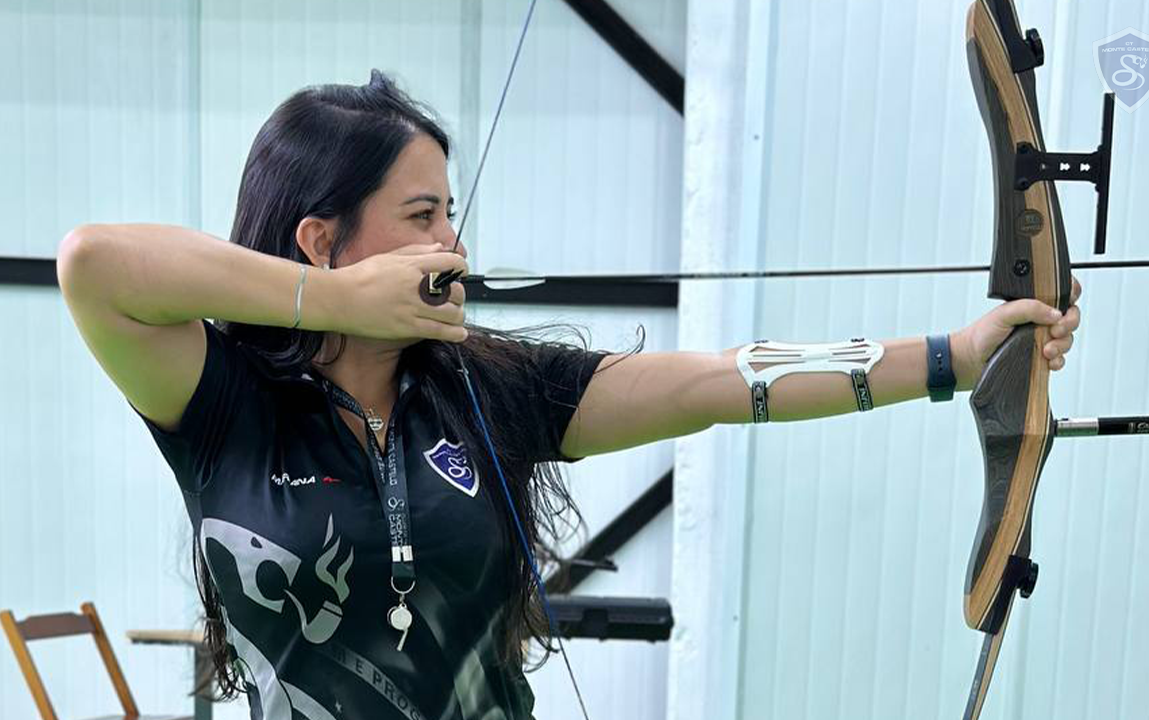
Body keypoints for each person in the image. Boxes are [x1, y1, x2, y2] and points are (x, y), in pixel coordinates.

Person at [56, 71, 1081, 720]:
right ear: (322, 236)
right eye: (420, 216)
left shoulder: (490, 390)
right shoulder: (222, 403)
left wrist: (952, 356)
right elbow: (93, 264)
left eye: (450, 214)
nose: (450, 246)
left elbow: (721, 383)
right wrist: (330, 299)